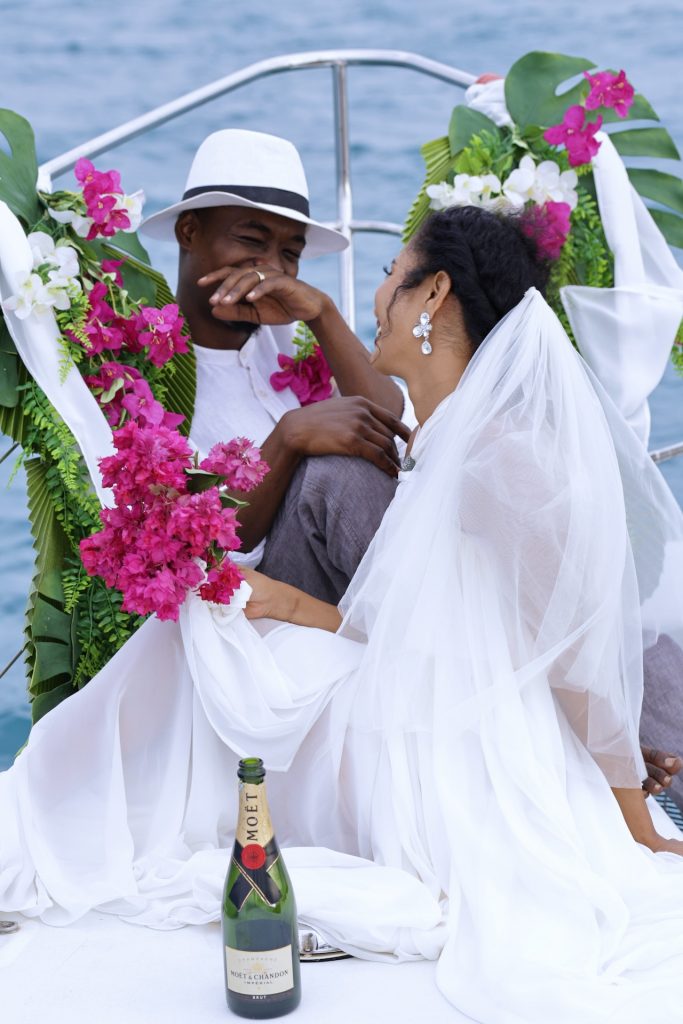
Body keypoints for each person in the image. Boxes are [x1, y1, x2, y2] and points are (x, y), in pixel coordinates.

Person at [4, 205, 683, 1023]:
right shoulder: (449, 439)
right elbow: (424, 633)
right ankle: (68, 810)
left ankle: (59, 816)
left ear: (432, 293)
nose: (378, 296)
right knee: (215, 634)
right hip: (414, 708)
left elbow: (570, 661)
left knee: (216, 666)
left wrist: (631, 823)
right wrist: (284, 604)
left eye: (394, 275)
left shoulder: (500, 457)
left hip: (450, 758)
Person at [140, 128, 410, 603]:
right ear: (189, 232)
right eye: (251, 240)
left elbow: (394, 428)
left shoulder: (287, 334)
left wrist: (323, 315)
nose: (271, 269)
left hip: (335, 575)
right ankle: (433, 641)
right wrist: (288, 438)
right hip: (247, 609)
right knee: (334, 474)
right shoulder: (151, 372)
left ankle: (438, 635)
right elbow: (206, 553)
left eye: (290, 254)